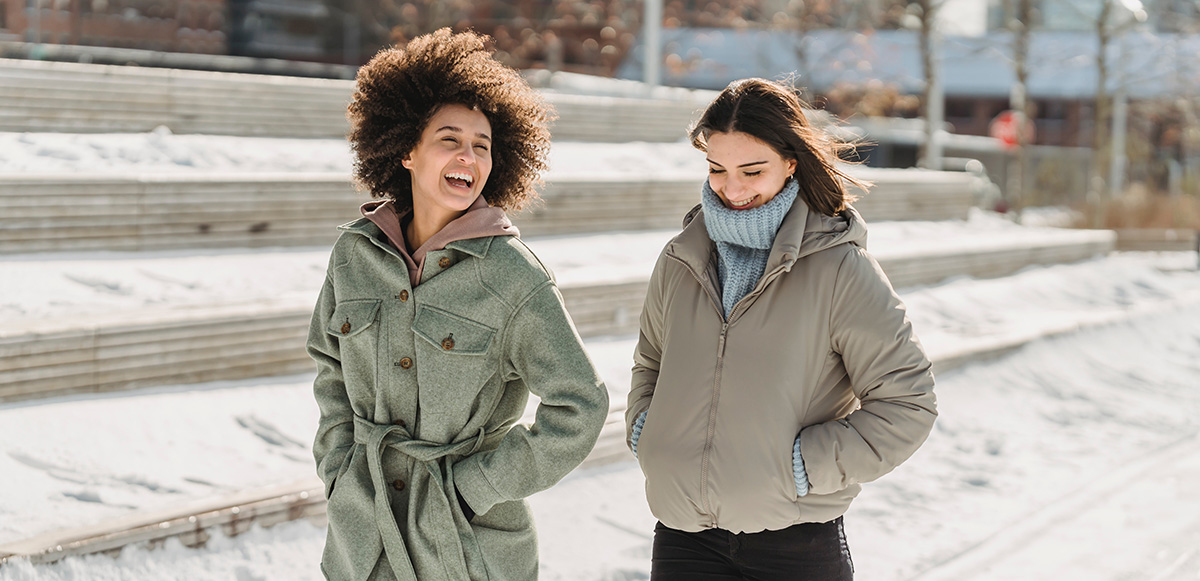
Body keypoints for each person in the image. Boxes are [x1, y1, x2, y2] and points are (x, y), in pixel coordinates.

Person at [307, 28, 609, 581]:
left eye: (483, 145)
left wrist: (479, 488)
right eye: (450, 139)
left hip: (470, 549)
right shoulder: (354, 253)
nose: (468, 156)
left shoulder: (513, 277)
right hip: (363, 535)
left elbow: (580, 404)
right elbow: (329, 364)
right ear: (406, 149)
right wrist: (338, 464)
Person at [625, 77, 938, 580]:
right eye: (717, 168)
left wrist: (801, 467)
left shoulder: (839, 269)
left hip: (795, 545)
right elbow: (652, 363)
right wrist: (649, 434)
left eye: (753, 170)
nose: (732, 188)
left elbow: (909, 404)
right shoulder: (681, 259)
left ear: (791, 162)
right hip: (684, 539)